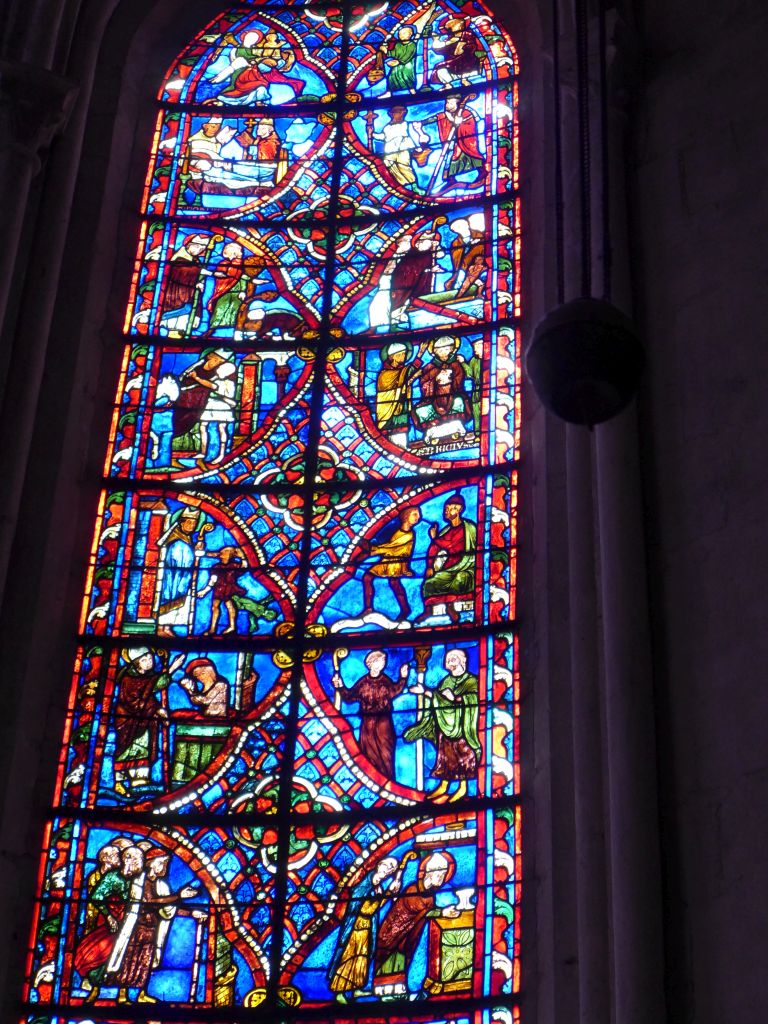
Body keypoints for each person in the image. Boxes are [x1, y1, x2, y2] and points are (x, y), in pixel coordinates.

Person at [107, 849, 200, 1004]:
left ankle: (142, 993)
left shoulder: (160, 885)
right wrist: (178, 896)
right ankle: (122, 994)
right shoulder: (140, 881)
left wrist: (191, 913)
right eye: (162, 863)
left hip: (152, 929)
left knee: (146, 961)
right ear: (151, 864)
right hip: (137, 928)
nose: (165, 867)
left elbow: (168, 909)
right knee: (129, 960)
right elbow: (149, 903)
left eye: (166, 864)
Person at [374, 851, 458, 992]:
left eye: (444, 875)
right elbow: (415, 911)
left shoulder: (430, 897)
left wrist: (440, 912)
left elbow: (423, 915)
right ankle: (382, 989)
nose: (442, 879)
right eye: (441, 875)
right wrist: (441, 912)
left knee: (400, 964)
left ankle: (397, 989)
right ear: (431, 873)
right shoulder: (412, 889)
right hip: (392, 934)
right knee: (386, 964)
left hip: (407, 940)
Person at [404, 648, 480, 800]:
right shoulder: (447, 681)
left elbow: (474, 698)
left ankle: (463, 787)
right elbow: (437, 698)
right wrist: (424, 691)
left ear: (463, 660)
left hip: (462, 727)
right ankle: (444, 786)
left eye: (453, 659)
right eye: (448, 659)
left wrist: (456, 698)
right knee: (445, 757)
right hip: (445, 726)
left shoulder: (471, 680)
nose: (450, 662)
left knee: (463, 755)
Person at [75, 844, 144, 1003]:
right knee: (100, 954)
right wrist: (109, 917)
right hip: (110, 922)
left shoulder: (137, 880)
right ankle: (95, 990)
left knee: (124, 955)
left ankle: (122, 994)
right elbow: (97, 896)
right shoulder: (112, 877)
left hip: (128, 924)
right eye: (136, 860)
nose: (139, 863)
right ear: (127, 859)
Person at [328, 855, 401, 1000]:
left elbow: (376, 907)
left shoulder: (377, 887)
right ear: (379, 866)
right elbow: (367, 909)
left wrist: (388, 893)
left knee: (362, 958)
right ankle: (339, 992)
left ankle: (356, 988)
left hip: (366, 928)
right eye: (386, 869)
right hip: (356, 929)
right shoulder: (363, 887)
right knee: (349, 957)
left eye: (390, 872)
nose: (387, 873)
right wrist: (388, 893)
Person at [113, 648, 184, 795]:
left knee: (143, 749)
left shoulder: (149, 677)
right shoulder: (128, 679)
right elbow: (134, 701)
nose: (148, 662)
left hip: (145, 721)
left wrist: (157, 710)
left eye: (150, 658)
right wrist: (157, 709)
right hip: (128, 721)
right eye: (144, 660)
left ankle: (140, 779)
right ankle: (120, 782)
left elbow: (154, 687)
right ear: (136, 663)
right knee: (126, 750)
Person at [333, 651, 409, 777]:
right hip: (367, 724)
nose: (382, 664)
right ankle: (371, 778)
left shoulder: (385, 681)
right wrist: (340, 686)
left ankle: (387, 779)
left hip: (383, 722)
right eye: (380, 661)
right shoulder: (363, 682)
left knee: (385, 752)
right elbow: (349, 697)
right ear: (371, 664)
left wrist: (403, 678)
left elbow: (394, 691)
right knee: (368, 753)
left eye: (383, 662)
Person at [172, 658, 232, 784]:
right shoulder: (206, 686)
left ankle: (192, 774)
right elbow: (196, 701)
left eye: (200, 674)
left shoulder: (221, 684)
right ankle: (183, 775)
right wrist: (190, 689)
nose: (199, 678)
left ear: (209, 671)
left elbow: (205, 700)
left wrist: (191, 690)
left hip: (217, 720)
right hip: (206, 719)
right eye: (196, 676)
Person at [419, 493, 477, 623]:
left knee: (460, 579)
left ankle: (451, 606)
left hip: (466, 566)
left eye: (449, 508)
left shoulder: (468, 528)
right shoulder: (446, 531)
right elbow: (433, 550)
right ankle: (428, 611)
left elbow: (450, 545)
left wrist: (435, 538)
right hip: (447, 569)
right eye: (445, 508)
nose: (446, 511)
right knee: (430, 583)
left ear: (458, 509)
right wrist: (429, 566)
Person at [154, 507, 211, 636]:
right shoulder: (177, 541)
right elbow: (180, 559)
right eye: (189, 522)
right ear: (181, 522)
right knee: (169, 602)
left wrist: (196, 551)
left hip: (182, 577)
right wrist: (195, 554)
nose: (192, 526)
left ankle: (167, 628)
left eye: (194, 523)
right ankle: (162, 629)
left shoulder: (186, 538)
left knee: (178, 607)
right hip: (174, 578)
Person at [361, 505, 421, 621]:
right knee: (370, 578)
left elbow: (390, 547)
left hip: (397, 562)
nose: (418, 517)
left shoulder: (408, 534)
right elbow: (389, 547)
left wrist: (371, 549)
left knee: (393, 582)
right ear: (406, 516)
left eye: (418, 515)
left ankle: (405, 609)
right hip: (388, 560)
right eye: (415, 514)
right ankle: (368, 609)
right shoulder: (398, 531)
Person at [412, 335, 471, 442]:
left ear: (452, 350)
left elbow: (459, 380)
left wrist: (449, 380)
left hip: (452, 396)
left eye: (447, 349)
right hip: (433, 399)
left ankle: (456, 428)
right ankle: (432, 432)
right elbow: (423, 382)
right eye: (440, 350)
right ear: (434, 352)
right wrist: (434, 381)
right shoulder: (430, 367)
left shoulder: (456, 364)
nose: (444, 352)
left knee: (459, 402)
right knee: (421, 410)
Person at [390, 230, 444, 328]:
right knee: (402, 303)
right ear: (418, 244)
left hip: (421, 285)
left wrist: (436, 246)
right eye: (427, 243)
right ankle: (397, 318)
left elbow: (441, 255)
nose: (429, 245)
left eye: (430, 243)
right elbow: (410, 271)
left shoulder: (428, 254)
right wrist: (429, 270)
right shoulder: (411, 256)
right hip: (405, 286)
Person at [158, 234, 209, 337]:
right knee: (174, 326)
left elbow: (193, 277)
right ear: (188, 244)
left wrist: (199, 282)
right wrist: (206, 272)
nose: (199, 250)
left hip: (188, 299)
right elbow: (184, 271)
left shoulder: (196, 261)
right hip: (175, 298)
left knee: (181, 327)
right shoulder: (179, 258)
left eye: (202, 248)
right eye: (197, 246)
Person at [371, 106, 428, 192]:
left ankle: (414, 186)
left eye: (402, 112)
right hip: (390, 150)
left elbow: (414, 135)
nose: (401, 114)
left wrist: (417, 146)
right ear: (392, 114)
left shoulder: (405, 124)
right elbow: (383, 136)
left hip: (403, 149)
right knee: (389, 165)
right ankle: (400, 185)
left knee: (404, 166)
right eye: (399, 112)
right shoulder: (387, 127)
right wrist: (372, 134)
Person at [433, 95, 485, 187]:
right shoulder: (445, 115)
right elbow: (435, 119)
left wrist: (459, 124)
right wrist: (421, 123)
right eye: (446, 102)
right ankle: (450, 179)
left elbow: (469, 126)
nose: (446, 105)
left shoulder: (466, 113)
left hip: (466, 141)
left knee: (471, 155)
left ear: (457, 104)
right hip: (454, 143)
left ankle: (482, 172)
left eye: (450, 103)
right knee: (453, 157)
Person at [197, 545, 250, 633]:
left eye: (226, 552)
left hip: (229, 588)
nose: (222, 553)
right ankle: (212, 629)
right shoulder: (216, 567)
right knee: (215, 607)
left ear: (230, 555)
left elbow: (244, 568)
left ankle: (232, 627)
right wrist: (205, 590)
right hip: (219, 589)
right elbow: (213, 580)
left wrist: (243, 557)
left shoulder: (234, 565)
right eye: (223, 552)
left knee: (229, 606)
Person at [431, 16, 485, 85]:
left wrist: (463, 46)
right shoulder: (449, 39)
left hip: (467, 61)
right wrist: (436, 40)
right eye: (450, 27)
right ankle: (448, 84)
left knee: (468, 65)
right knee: (440, 68)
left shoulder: (468, 35)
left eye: (453, 25)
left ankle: (465, 80)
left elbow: (471, 47)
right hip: (452, 64)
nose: (451, 28)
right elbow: (439, 50)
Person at [380, 25, 417, 92]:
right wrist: (386, 51)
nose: (401, 35)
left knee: (407, 77)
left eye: (404, 33)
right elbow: (394, 53)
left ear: (410, 34)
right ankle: (389, 92)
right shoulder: (398, 44)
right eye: (399, 34)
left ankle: (412, 91)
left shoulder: (412, 45)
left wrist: (399, 62)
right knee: (391, 77)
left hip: (407, 65)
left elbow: (408, 55)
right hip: (397, 66)